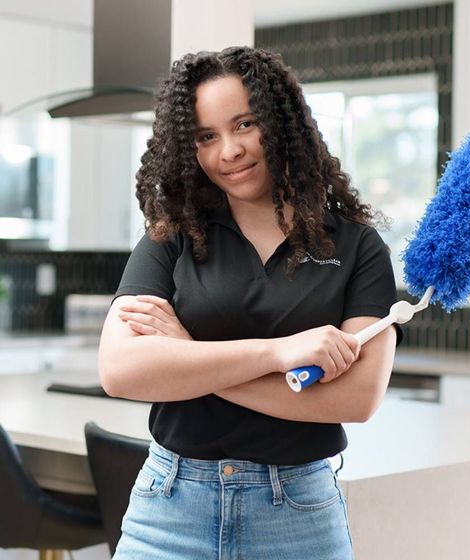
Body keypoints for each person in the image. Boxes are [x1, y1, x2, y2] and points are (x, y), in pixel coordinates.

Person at [99, 46, 402, 560]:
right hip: (169, 510)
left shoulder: (356, 246)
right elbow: (121, 370)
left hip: (299, 516)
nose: (229, 151)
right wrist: (278, 354)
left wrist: (189, 357)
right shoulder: (174, 235)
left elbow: (358, 399)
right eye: (206, 137)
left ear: (280, 123)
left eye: (244, 125)